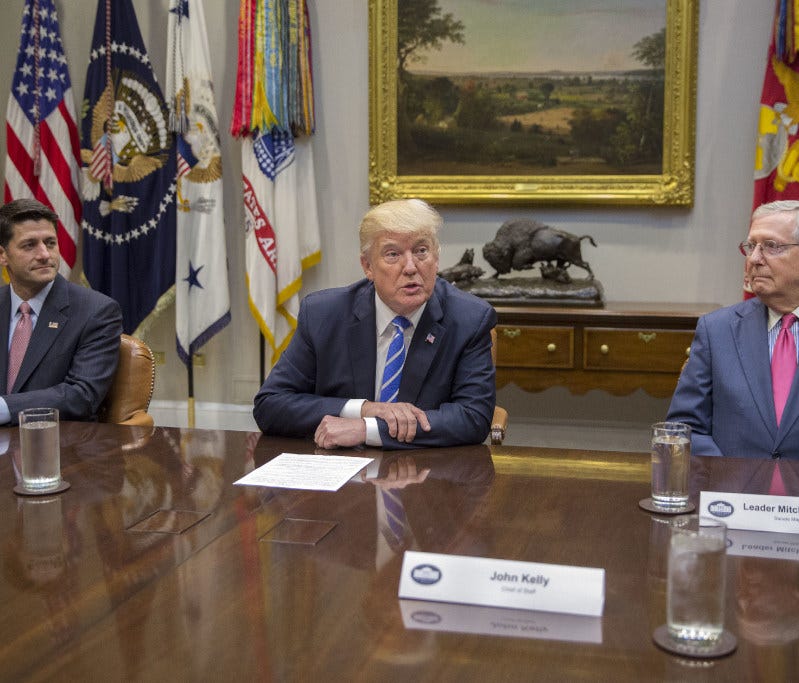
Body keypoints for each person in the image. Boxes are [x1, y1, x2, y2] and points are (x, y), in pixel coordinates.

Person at [253, 198, 497, 449]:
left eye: (421, 251)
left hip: (426, 468)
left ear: (436, 258)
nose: (410, 267)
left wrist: (367, 429)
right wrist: (363, 409)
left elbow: (473, 418)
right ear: (367, 266)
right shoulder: (323, 315)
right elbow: (270, 405)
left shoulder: (469, 319)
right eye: (393, 254)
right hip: (340, 467)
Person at [667, 200, 799, 458]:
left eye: (771, 246)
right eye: (751, 246)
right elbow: (685, 428)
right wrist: (727, 476)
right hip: (729, 482)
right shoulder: (717, 330)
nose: (754, 259)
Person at [0, 198, 123, 424]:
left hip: (59, 440)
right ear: (2, 255)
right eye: (29, 245)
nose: (44, 254)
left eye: (50, 243)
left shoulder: (97, 311)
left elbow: (82, 395)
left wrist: (4, 408)